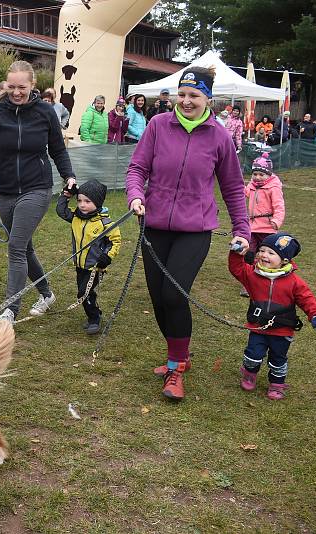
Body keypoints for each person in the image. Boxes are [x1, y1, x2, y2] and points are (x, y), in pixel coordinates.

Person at [126, 66, 250, 401]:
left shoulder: (220, 136)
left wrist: (243, 229)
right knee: (158, 299)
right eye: (182, 94)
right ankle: (179, 353)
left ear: (209, 98)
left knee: (174, 295)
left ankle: (176, 366)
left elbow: (234, 188)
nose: (186, 101)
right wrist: (136, 195)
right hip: (153, 226)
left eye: (194, 95)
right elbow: (137, 168)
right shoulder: (157, 126)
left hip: (194, 229)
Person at [0, 60, 76, 322]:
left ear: (33, 85)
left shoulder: (45, 112)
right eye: (11, 87)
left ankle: (10, 309)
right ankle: (46, 293)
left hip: (37, 187)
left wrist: (69, 175)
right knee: (25, 248)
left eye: (22, 87)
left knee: (16, 247)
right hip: (6, 191)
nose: (16, 92)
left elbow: (57, 149)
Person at [228, 233, 316, 400]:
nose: (263, 255)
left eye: (270, 253)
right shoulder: (253, 274)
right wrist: (235, 253)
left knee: (278, 358)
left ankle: (277, 384)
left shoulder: (294, 282)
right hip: (258, 327)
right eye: (262, 250)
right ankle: (249, 374)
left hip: (282, 330)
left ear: (285, 260)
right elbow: (236, 269)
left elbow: (307, 299)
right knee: (252, 353)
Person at [55, 179, 121, 334]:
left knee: (84, 292)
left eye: (87, 201)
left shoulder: (105, 223)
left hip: (94, 267)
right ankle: (94, 312)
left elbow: (115, 241)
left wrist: (107, 257)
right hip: (80, 265)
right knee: (84, 292)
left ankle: (94, 319)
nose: (82, 205)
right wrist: (66, 195)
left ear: (97, 202)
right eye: (79, 200)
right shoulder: (76, 218)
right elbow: (60, 211)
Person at [243, 152, 285, 272]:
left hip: (267, 228)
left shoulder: (274, 188)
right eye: (255, 174)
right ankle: (248, 276)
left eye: (261, 174)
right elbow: (245, 193)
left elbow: (279, 206)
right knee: (249, 253)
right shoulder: (252, 185)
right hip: (252, 227)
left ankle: (266, 273)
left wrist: (277, 220)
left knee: (267, 253)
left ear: (269, 174)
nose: (257, 177)